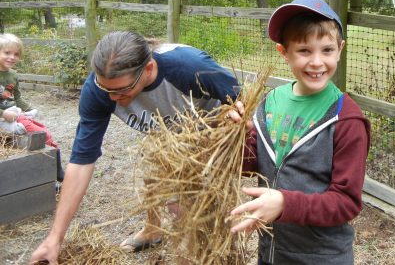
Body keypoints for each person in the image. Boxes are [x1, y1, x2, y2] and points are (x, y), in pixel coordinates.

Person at [30, 31, 240, 264]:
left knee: (182, 205)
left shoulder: (191, 67)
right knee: (151, 168)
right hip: (165, 133)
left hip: (205, 131)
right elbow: (81, 162)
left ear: (148, 69)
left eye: (122, 90)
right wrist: (55, 238)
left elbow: (242, 99)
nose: (112, 98)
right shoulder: (99, 90)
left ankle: (193, 251)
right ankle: (153, 230)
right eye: (107, 89)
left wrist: (229, 118)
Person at [230, 0, 371, 265]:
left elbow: (346, 202)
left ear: (340, 50)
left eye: (327, 50)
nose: (317, 62)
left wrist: (285, 204)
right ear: (284, 52)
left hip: (320, 256)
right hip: (271, 250)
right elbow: (252, 165)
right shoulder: (270, 102)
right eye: (304, 50)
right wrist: (233, 137)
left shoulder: (346, 119)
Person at [0, 33, 64, 180]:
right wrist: (3, 114)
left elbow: (16, 98)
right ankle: (57, 173)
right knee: (42, 134)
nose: (12, 57)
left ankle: (52, 173)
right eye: (7, 53)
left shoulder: (13, 75)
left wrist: (30, 109)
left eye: (16, 54)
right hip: (6, 117)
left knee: (42, 129)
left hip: (15, 114)